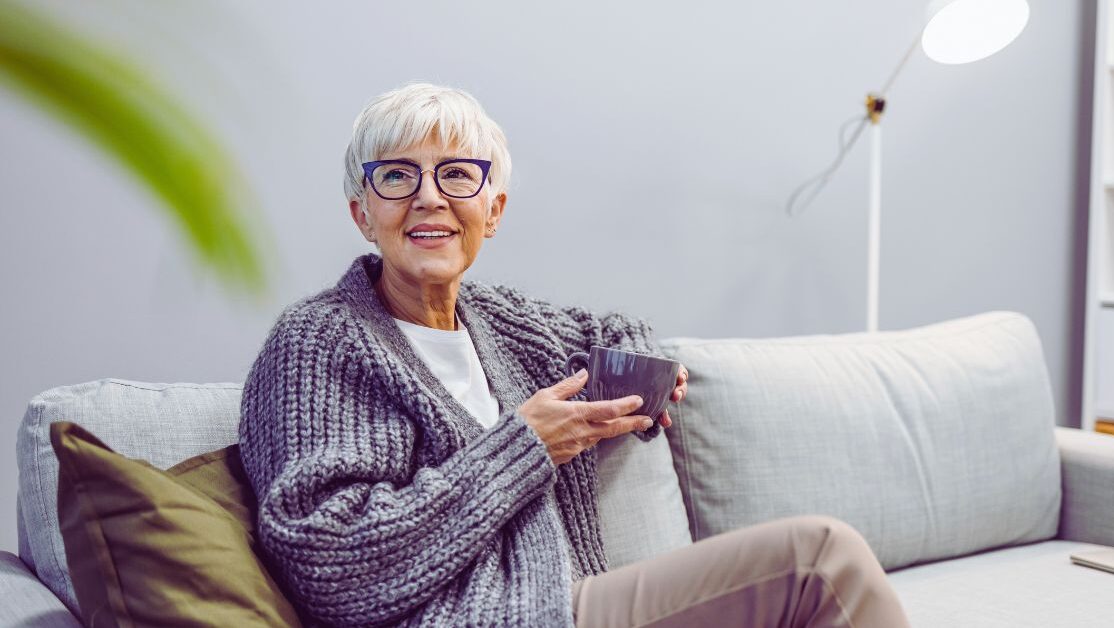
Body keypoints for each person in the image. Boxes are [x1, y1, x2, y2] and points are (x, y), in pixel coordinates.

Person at [238, 82, 911, 627]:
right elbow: (327, 562)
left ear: (492, 211)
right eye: (396, 177)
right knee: (820, 559)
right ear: (362, 212)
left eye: (456, 175)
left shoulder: (499, 323)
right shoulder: (317, 344)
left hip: (564, 599)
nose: (430, 197)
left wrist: (645, 379)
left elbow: (617, 329)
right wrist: (525, 444)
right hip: (499, 619)